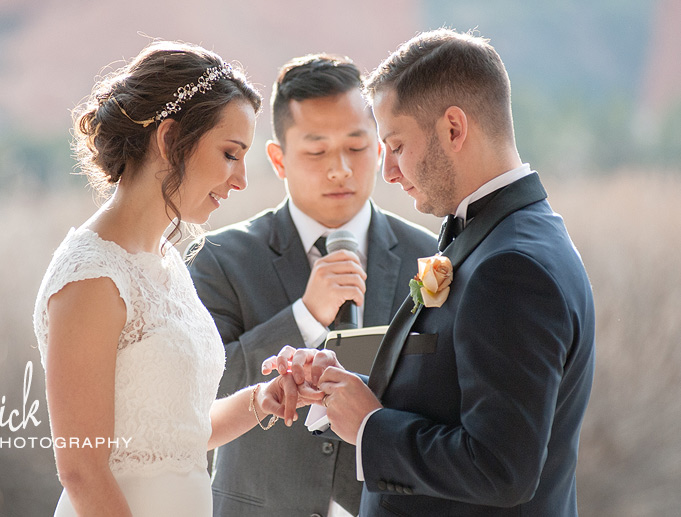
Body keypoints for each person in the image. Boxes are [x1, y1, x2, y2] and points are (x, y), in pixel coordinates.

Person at [266, 29, 596, 516]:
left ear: (454, 129)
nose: (390, 171)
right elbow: (456, 398)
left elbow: (502, 469)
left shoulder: (513, 267)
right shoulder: (497, 234)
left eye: (396, 145)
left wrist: (370, 427)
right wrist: (347, 389)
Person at [32, 41, 320, 517]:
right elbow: (82, 470)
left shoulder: (166, 261)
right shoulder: (90, 277)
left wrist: (261, 399)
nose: (242, 179)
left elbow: (178, 435)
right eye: (230, 153)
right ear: (169, 139)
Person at [187, 54, 438, 517]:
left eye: (357, 146)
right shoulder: (220, 258)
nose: (339, 168)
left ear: (381, 148)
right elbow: (200, 395)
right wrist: (305, 316)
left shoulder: (428, 256)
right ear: (279, 159)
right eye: (317, 151)